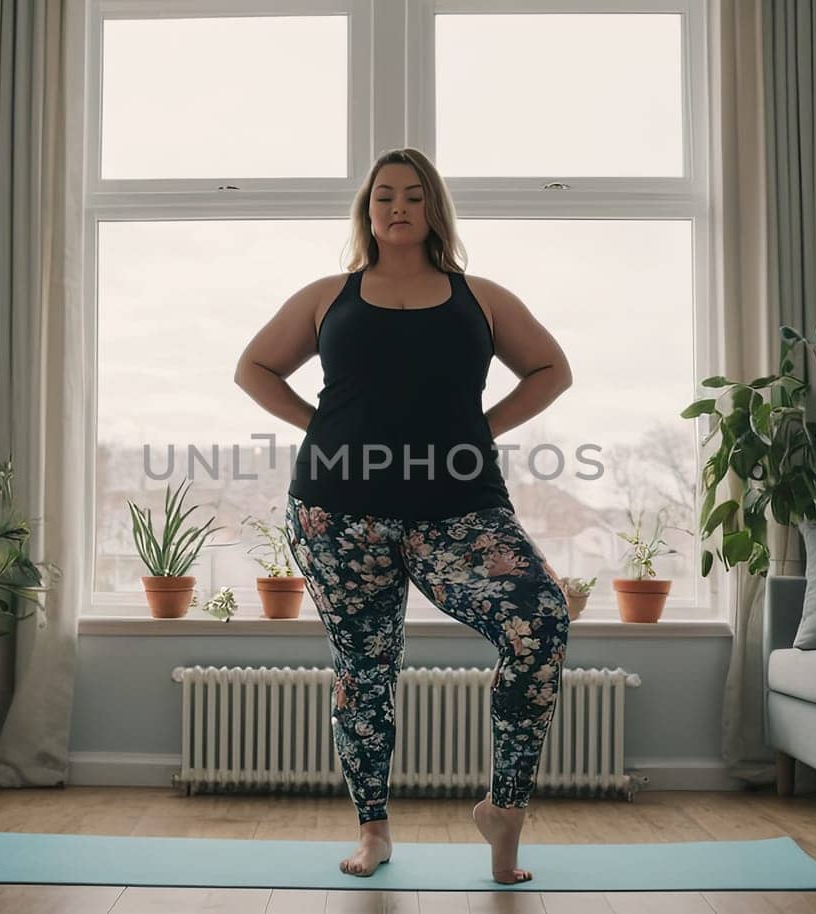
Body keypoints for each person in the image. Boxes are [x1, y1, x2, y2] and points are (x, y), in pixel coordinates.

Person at [233, 147, 573, 884]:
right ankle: (374, 828)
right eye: (383, 195)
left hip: (459, 509)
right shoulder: (330, 294)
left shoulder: (479, 297)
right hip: (337, 514)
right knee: (366, 669)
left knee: (541, 621)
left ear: (432, 210)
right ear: (367, 209)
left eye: (413, 197)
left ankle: (504, 810)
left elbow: (552, 368)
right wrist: (317, 426)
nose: (396, 207)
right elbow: (253, 366)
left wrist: (482, 428)